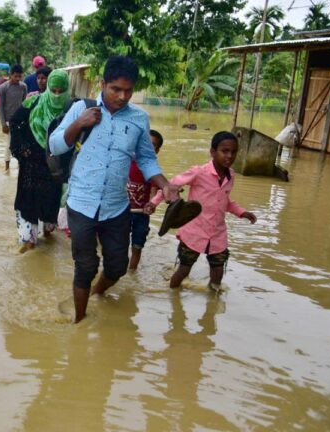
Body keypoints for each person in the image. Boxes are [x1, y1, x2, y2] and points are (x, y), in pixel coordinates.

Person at [48, 56, 180, 323]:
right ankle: (80, 321)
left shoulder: (139, 119)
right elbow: (55, 146)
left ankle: (97, 292)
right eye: (116, 89)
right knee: (85, 265)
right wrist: (79, 124)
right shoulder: (81, 109)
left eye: (128, 90)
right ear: (103, 83)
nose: (122, 96)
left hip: (116, 206)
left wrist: (165, 185)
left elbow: (145, 159)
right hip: (82, 203)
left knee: (118, 266)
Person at [145, 131, 257, 291]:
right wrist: (153, 203)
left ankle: (211, 308)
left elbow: (225, 201)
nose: (229, 156)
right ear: (212, 152)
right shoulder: (199, 172)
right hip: (194, 232)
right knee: (183, 270)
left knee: (218, 273)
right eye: (224, 151)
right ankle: (172, 298)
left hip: (217, 234)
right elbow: (170, 186)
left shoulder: (231, 175)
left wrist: (242, 212)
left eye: (233, 152)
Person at [12, 70, 70, 251]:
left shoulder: (71, 109)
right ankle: (29, 242)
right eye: (54, 90)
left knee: (50, 203)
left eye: (61, 91)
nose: (57, 95)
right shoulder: (33, 102)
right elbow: (14, 122)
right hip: (31, 164)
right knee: (29, 202)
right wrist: (21, 149)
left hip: (54, 168)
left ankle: (47, 232)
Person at [127, 129, 163, 270]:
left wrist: (151, 204)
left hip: (141, 214)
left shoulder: (153, 170)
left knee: (137, 245)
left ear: (157, 150)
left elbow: (154, 191)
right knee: (119, 244)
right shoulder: (126, 161)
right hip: (121, 211)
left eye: (152, 144)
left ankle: (131, 272)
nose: (147, 146)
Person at [0, 64, 27, 170]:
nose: (17, 79)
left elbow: (25, 103)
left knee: (22, 143)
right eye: (15, 76)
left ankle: (21, 165)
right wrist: (3, 124)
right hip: (9, 121)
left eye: (20, 76)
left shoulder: (23, 86)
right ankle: (7, 167)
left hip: (21, 120)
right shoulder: (3, 87)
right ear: (11, 75)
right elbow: (0, 107)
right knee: (9, 144)